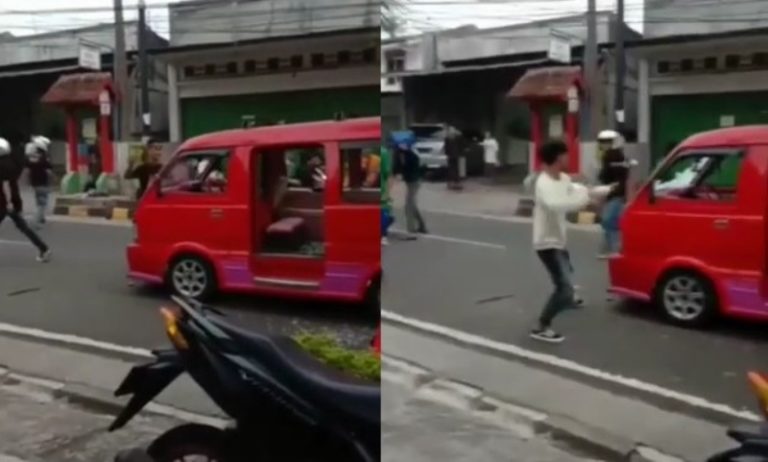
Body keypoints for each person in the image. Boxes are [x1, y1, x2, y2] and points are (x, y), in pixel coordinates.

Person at [530, 140, 613, 343]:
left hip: (559, 239)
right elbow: (557, 204)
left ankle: (566, 299)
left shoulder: (564, 178)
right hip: (546, 242)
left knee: (566, 276)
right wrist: (586, 199)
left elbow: (578, 190)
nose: (568, 158)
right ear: (558, 157)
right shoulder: (544, 184)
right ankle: (542, 326)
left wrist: (608, 189)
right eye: (565, 155)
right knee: (564, 287)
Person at [0, 137, 50, 262]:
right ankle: (43, 248)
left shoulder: (2, 165)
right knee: (24, 227)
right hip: (13, 201)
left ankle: (44, 249)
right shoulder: (10, 163)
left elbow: (6, 184)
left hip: (4, 202)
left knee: (23, 227)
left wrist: (8, 202)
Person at [595, 130, 629, 258]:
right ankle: (607, 248)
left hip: (614, 192)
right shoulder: (619, 155)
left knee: (609, 220)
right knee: (609, 220)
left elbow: (605, 175)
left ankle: (614, 248)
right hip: (617, 192)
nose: (602, 145)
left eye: (605, 142)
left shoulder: (610, 155)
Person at [395, 141, 427, 236]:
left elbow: (413, 167)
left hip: (415, 181)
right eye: (400, 144)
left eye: (403, 144)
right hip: (409, 181)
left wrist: (404, 161)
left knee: (408, 206)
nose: (402, 146)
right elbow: (398, 167)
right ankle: (422, 226)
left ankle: (411, 230)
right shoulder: (400, 154)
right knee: (412, 205)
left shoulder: (412, 154)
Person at [24, 136, 53, 228]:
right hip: (43, 183)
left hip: (34, 183)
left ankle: (41, 218)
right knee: (42, 204)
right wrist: (52, 182)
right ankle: (35, 221)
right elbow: (49, 172)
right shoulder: (44, 158)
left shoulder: (32, 157)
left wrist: (28, 182)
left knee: (39, 200)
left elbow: (27, 171)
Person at [380, 146, 394, 245]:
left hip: (382, 190)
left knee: (383, 212)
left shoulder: (383, 152)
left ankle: (383, 235)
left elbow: (389, 175)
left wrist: (387, 193)